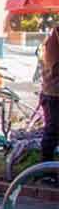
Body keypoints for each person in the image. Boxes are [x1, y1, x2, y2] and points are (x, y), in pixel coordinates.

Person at [39, 23, 59, 180]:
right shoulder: (56, 34)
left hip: (51, 91)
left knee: (52, 131)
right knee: (53, 131)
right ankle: (46, 172)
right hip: (54, 93)